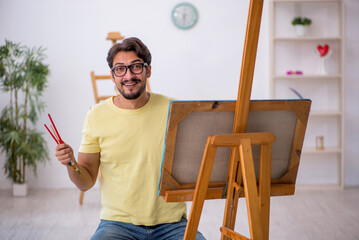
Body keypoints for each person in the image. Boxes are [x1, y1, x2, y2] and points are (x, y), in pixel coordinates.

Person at [55, 37, 206, 240]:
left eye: (135, 67)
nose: (128, 75)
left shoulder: (175, 109)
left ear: (148, 70)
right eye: (120, 69)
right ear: (112, 75)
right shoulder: (96, 115)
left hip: (172, 224)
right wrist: (70, 162)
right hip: (117, 224)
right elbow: (86, 182)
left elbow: (197, 165)